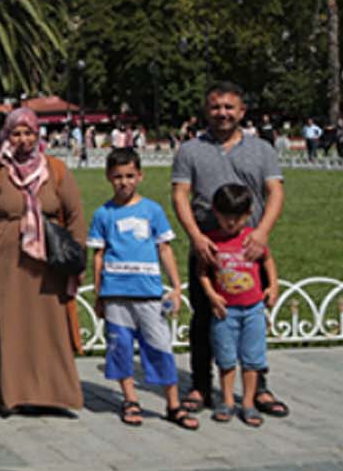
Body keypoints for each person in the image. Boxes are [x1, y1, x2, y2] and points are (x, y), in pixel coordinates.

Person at [170, 81, 288, 419]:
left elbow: (275, 192)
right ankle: (201, 385)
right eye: (216, 107)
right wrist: (194, 235)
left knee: (253, 316)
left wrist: (263, 232)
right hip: (208, 244)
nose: (222, 113)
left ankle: (258, 388)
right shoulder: (190, 150)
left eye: (229, 108)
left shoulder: (261, 150)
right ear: (206, 110)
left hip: (249, 245)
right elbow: (180, 194)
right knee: (205, 316)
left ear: (241, 111)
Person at [0, 107, 85, 414]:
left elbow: (74, 214)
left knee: (50, 327)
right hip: (6, 261)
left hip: (49, 261)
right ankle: (13, 394)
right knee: (10, 326)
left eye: (28, 133)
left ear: (38, 136)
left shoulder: (56, 170)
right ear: (7, 136)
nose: (22, 140)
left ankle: (54, 394)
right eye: (16, 134)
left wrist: (78, 257)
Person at [88, 148, 194, 430]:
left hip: (148, 292)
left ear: (140, 176)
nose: (124, 182)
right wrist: (98, 294)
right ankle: (130, 399)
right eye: (118, 176)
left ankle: (172, 403)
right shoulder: (103, 214)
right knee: (120, 347)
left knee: (159, 347)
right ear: (109, 177)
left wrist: (175, 287)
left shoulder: (152, 210)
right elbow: (98, 256)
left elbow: (164, 248)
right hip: (116, 295)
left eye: (130, 176)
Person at [201, 184, 279, 426]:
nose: (231, 224)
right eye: (226, 218)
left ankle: (248, 402)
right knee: (225, 358)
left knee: (252, 358)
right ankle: (226, 400)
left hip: (253, 307)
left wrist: (273, 286)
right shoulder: (211, 241)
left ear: (248, 214)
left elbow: (267, 260)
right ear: (216, 213)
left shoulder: (252, 239)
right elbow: (202, 271)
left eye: (237, 218)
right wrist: (211, 295)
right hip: (225, 310)